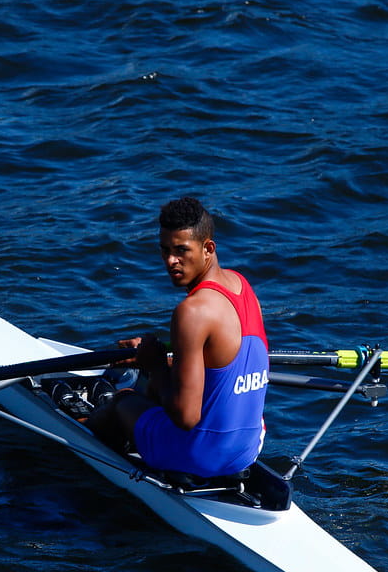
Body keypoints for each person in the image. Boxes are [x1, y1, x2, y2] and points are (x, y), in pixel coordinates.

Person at [90, 196, 269, 479]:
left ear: (208, 248)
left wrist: (155, 365)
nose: (170, 261)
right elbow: (219, 363)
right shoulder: (241, 285)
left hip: (202, 456)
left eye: (181, 250)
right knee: (154, 385)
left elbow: (186, 417)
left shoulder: (192, 311)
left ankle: (81, 425)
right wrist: (162, 361)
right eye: (164, 251)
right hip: (248, 449)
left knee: (122, 403)